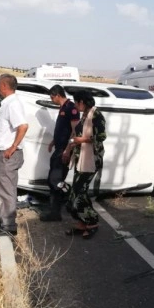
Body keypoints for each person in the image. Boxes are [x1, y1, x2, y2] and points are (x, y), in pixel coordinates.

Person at [63, 90, 106, 240]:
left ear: (82, 101)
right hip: (81, 159)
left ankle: (92, 222)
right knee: (76, 192)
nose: (75, 106)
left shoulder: (96, 115)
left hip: (91, 160)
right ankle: (83, 222)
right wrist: (68, 149)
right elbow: (76, 134)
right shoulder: (85, 115)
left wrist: (83, 140)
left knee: (79, 193)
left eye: (76, 102)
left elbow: (101, 136)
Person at [0, 74, 29, 238]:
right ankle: (5, 220)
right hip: (7, 154)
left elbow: (23, 126)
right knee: (7, 188)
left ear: (5, 86)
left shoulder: (12, 104)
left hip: (8, 155)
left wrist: (12, 148)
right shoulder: (8, 103)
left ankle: (8, 226)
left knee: (6, 190)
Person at [40, 85, 80, 222]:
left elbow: (75, 132)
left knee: (55, 180)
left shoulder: (71, 108)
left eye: (52, 97)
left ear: (57, 95)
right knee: (53, 180)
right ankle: (54, 211)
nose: (52, 100)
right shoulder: (62, 108)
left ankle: (71, 195)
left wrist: (68, 150)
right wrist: (53, 141)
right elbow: (63, 129)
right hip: (59, 148)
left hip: (64, 150)